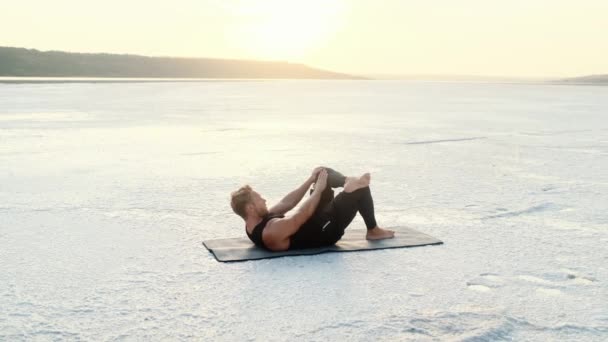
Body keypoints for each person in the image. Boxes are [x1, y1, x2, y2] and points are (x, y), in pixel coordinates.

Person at [230, 167, 395, 251]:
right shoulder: (271, 232)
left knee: (322, 171)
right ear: (251, 208)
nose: (264, 200)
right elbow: (301, 215)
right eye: (260, 200)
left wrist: (311, 180)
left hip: (315, 221)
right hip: (324, 232)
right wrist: (317, 190)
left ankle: (348, 181)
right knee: (359, 188)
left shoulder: (255, 220)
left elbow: (287, 202)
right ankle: (373, 230)